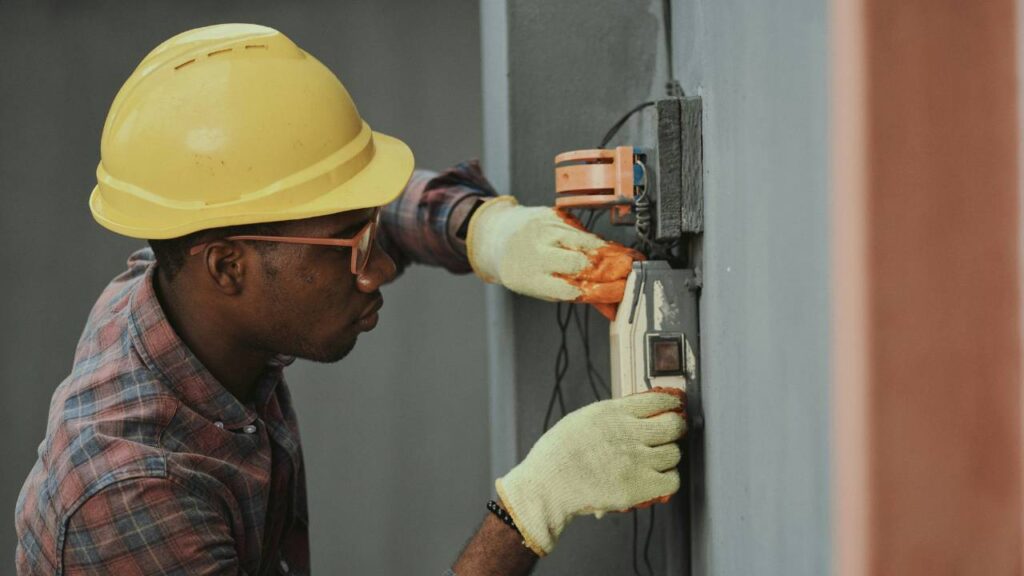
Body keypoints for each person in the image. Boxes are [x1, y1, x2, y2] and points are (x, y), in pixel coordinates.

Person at [15, 24, 686, 576]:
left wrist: (480, 229)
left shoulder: (182, 280)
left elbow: (325, 213)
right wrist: (527, 512)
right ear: (226, 266)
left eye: (370, 232)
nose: (380, 269)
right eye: (353, 248)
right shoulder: (133, 495)